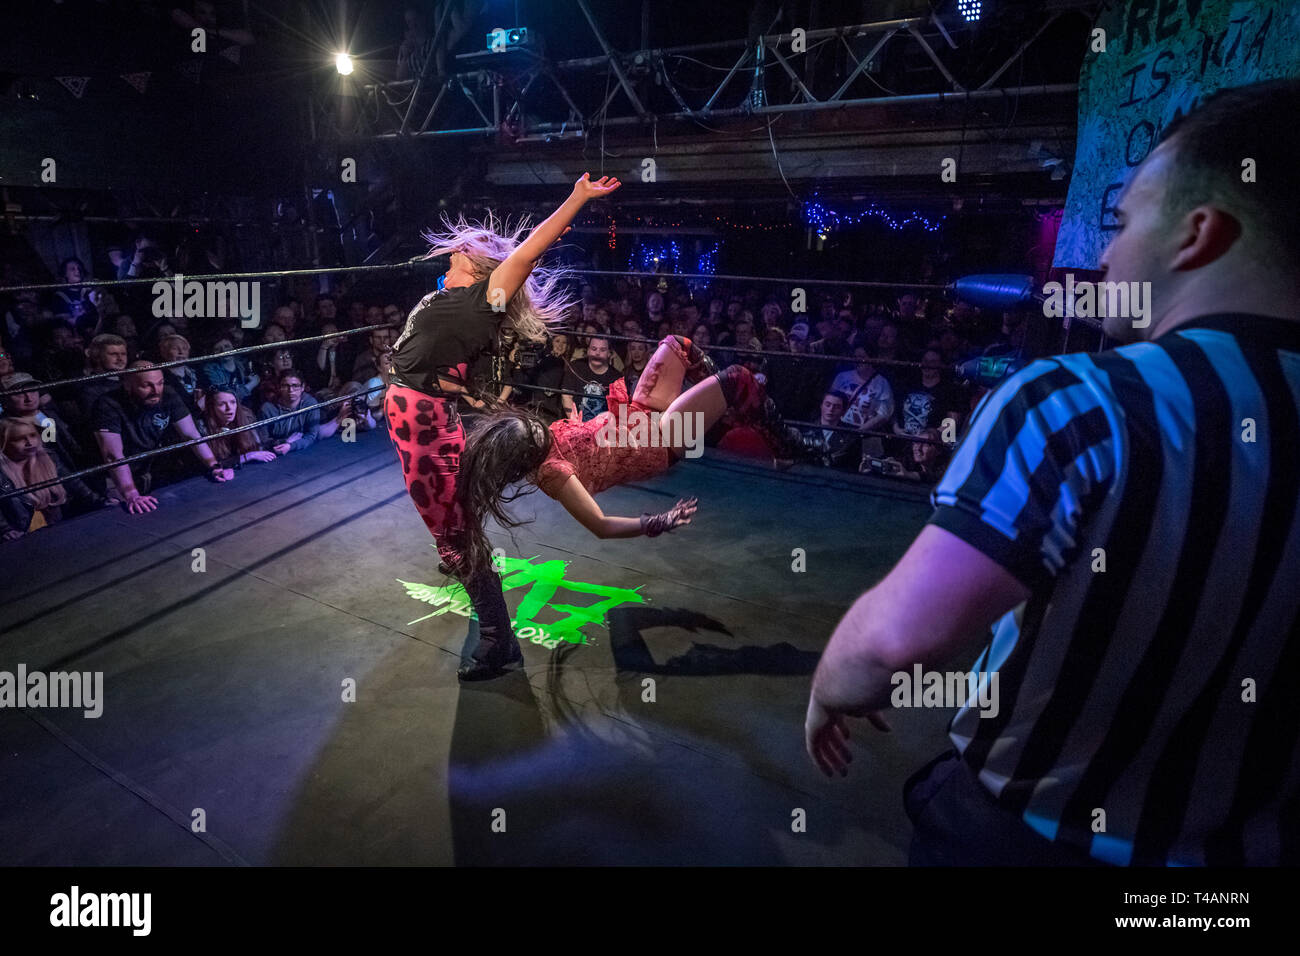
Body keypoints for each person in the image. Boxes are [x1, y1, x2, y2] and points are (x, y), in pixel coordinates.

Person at [805, 79, 1300, 867]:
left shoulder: (1083, 399)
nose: (1104, 254)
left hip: (1035, 839)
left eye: (1123, 220)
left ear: (1197, 234)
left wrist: (833, 684)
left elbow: (893, 642)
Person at [384, 173, 619, 681]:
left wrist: (577, 197)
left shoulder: (484, 300)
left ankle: (498, 641)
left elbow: (530, 252)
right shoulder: (447, 293)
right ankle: (465, 560)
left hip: (423, 419)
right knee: (450, 517)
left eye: (463, 250)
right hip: (414, 416)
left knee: (452, 532)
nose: (455, 249)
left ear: (482, 264)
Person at [459, 336, 775, 571]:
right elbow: (601, 525)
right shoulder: (552, 473)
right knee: (737, 379)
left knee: (678, 344)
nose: (537, 427)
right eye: (530, 433)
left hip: (639, 412)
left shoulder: (540, 438)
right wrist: (657, 521)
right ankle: (785, 440)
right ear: (524, 452)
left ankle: (726, 404)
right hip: (660, 441)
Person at [91, 361, 233, 513]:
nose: (156, 391)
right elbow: (113, 455)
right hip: (113, 477)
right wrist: (130, 494)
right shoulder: (107, 404)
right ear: (127, 385)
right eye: (147, 385)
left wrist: (214, 466)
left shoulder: (168, 394)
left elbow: (191, 434)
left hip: (148, 468)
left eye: (160, 383)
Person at [0, 418, 105, 540]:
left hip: (60, 527)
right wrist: (5, 530)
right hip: (24, 535)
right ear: (3, 442)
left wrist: (99, 501)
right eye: (19, 439)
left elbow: (74, 483)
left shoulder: (49, 457)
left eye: (33, 435)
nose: (29, 442)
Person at [201, 388, 276, 468]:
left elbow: (259, 446)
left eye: (233, 402)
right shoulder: (203, 428)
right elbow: (213, 465)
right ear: (212, 408)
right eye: (222, 404)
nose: (229, 408)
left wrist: (283, 443)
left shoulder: (246, 417)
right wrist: (247, 456)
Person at [259, 370, 320, 455]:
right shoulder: (268, 408)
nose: (290, 390)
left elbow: (311, 435)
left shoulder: (310, 403)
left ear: (302, 387)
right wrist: (285, 441)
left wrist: (291, 446)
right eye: (285, 386)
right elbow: (263, 440)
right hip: (274, 452)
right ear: (279, 387)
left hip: (301, 449)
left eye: (295, 386)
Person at [561, 335, 621, 422]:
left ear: (609, 353)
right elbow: (566, 397)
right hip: (576, 425)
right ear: (588, 351)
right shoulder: (575, 367)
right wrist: (576, 423)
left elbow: (619, 409)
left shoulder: (616, 378)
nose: (597, 353)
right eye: (593, 349)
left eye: (602, 350)